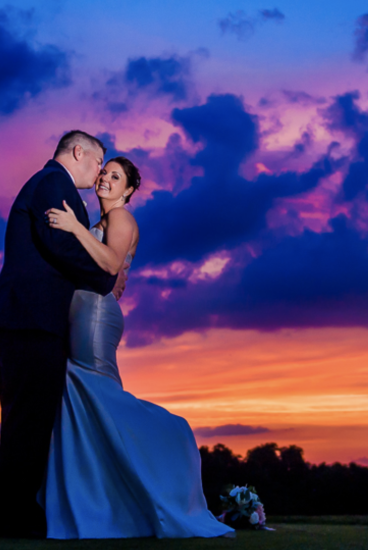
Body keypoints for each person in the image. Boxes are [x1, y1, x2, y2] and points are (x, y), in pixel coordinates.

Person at [43, 157, 235, 539]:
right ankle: (102, 499)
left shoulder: (121, 218)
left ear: (129, 190)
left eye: (116, 176)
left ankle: (171, 439)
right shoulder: (102, 221)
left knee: (94, 393)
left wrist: (74, 229)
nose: (106, 179)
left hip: (96, 315)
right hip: (84, 312)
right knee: (86, 402)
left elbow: (111, 263)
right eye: (104, 173)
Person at [0, 130, 118, 539]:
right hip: (29, 319)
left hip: (28, 318)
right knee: (29, 419)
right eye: (97, 162)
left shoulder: (48, 183)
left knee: (31, 418)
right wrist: (105, 276)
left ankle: (16, 514)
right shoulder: (53, 183)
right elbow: (62, 246)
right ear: (78, 151)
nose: (98, 173)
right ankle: (15, 519)